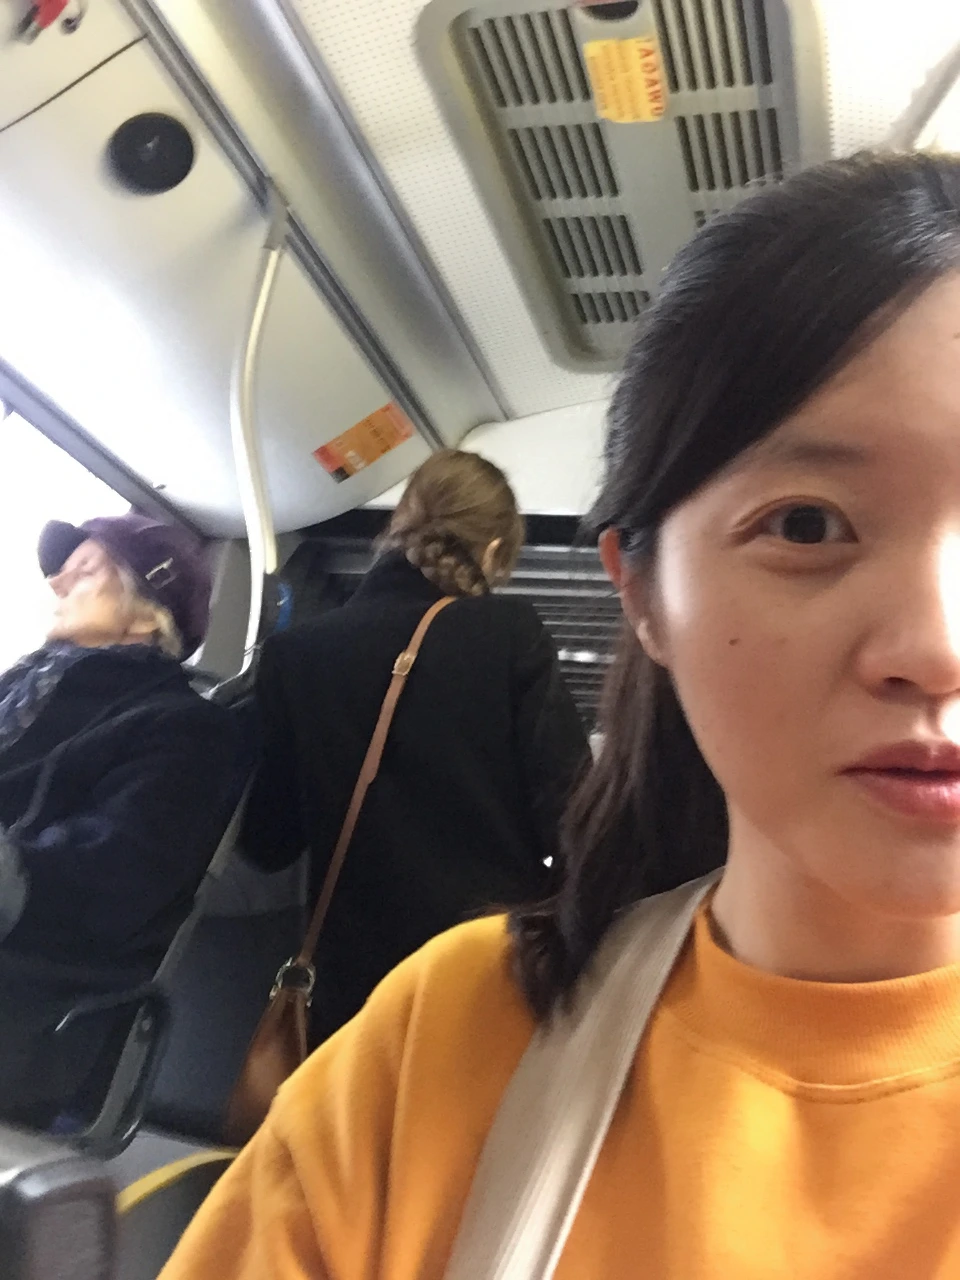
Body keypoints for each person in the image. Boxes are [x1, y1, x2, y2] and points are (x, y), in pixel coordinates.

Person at [160, 150, 960, 1279]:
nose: (936, 649)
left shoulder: (300, 654)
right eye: (807, 525)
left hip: (358, 958)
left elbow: (277, 833)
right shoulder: (439, 1044)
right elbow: (557, 800)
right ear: (643, 595)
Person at [239, 449, 589, 1043]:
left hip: (351, 991)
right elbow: (574, 817)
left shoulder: (295, 654)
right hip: (483, 974)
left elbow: (267, 843)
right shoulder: (508, 634)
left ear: (396, 525)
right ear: (493, 552)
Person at [0, 512, 243, 1127]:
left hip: (29, 994)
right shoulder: (20, 692)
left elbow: (113, 883)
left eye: (84, 571)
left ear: (146, 614)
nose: (57, 582)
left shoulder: (185, 730)